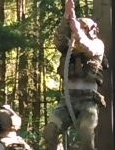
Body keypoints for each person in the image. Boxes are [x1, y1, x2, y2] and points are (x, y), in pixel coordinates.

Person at [42, 13, 108, 150]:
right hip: (67, 100)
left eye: (82, 29)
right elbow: (59, 38)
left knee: (86, 133)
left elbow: (87, 48)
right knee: (50, 131)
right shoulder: (68, 48)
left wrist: (78, 32)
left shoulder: (97, 45)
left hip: (88, 100)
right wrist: (66, 17)